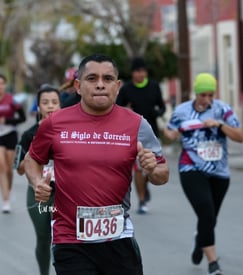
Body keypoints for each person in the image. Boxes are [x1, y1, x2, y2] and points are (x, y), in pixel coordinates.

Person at [24, 54, 169, 275]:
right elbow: (32, 159)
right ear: (78, 86)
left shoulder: (137, 125)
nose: (101, 84)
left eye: (108, 79)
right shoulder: (55, 123)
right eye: (92, 78)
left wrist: (152, 169)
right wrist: (37, 183)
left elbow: (162, 174)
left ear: (117, 86)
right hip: (70, 239)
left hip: (118, 238)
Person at [164, 73, 243, 275]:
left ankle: (200, 241)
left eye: (211, 95)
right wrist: (173, 134)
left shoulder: (222, 110)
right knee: (206, 213)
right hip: (191, 168)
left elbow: (240, 136)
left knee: (210, 218)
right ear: (196, 94)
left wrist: (219, 125)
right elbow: (169, 131)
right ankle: (213, 262)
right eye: (203, 95)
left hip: (219, 171)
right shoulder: (182, 111)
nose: (207, 100)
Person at [16, 85, 61, 275]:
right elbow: (18, 169)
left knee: (63, 239)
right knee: (44, 238)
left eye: (54, 102)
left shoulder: (70, 132)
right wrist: (36, 147)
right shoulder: (29, 134)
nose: (50, 106)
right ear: (38, 107)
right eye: (45, 102)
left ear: (60, 105)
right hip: (39, 195)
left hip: (64, 194)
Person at [116, 57, 166, 214]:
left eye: (143, 71)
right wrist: (126, 111)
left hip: (152, 134)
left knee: (150, 167)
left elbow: (162, 106)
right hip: (133, 135)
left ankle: (145, 187)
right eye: (137, 71)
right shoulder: (127, 89)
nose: (140, 74)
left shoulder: (154, 86)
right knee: (138, 169)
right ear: (132, 73)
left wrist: (157, 113)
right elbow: (116, 108)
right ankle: (142, 200)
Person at [0, 74, 26, 213]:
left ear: (5, 85)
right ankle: (5, 200)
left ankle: (9, 188)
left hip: (10, 135)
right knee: (1, 167)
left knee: (8, 168)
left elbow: (22, 117)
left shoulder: (12, 100)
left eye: (2, 83)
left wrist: (7, 121)